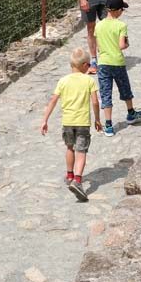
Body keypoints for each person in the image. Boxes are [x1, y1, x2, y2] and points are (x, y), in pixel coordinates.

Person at [40, 47, 102, 202]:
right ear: (84, 66)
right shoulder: (89, 80)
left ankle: (69, 175)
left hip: (67, 122)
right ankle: (78, 181)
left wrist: (45, 120)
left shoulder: (63, 81)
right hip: (82, 123)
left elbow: (53, 100)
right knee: (81, 151)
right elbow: (95, 101)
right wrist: (97, 119)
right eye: (88, 65)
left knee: (70, 148)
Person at [94, 0, 141, 137]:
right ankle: (131, 113)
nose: (122, 12)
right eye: (122, 9)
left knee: (106, 93)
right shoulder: (121, 25)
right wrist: (127, 44)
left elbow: (98, 47)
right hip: (117, 62)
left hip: (103, 63)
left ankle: (108, 125)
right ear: (117, 10)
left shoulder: (99, 26)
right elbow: (122, 45)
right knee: (124, 88)